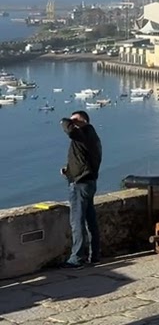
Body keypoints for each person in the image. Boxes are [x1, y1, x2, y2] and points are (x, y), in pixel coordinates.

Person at [59, 110, 102, 268]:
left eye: (75, 120)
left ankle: (77, 258)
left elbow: (67, 127)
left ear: (82, 121)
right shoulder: (91, 136)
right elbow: (82, 160)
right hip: (88, 181)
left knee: (77, 221)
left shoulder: (83, 133)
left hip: (81, 184)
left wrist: (68, 121)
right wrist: (68, 171)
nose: (72, 123)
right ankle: (95, 255)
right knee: (91, 220)